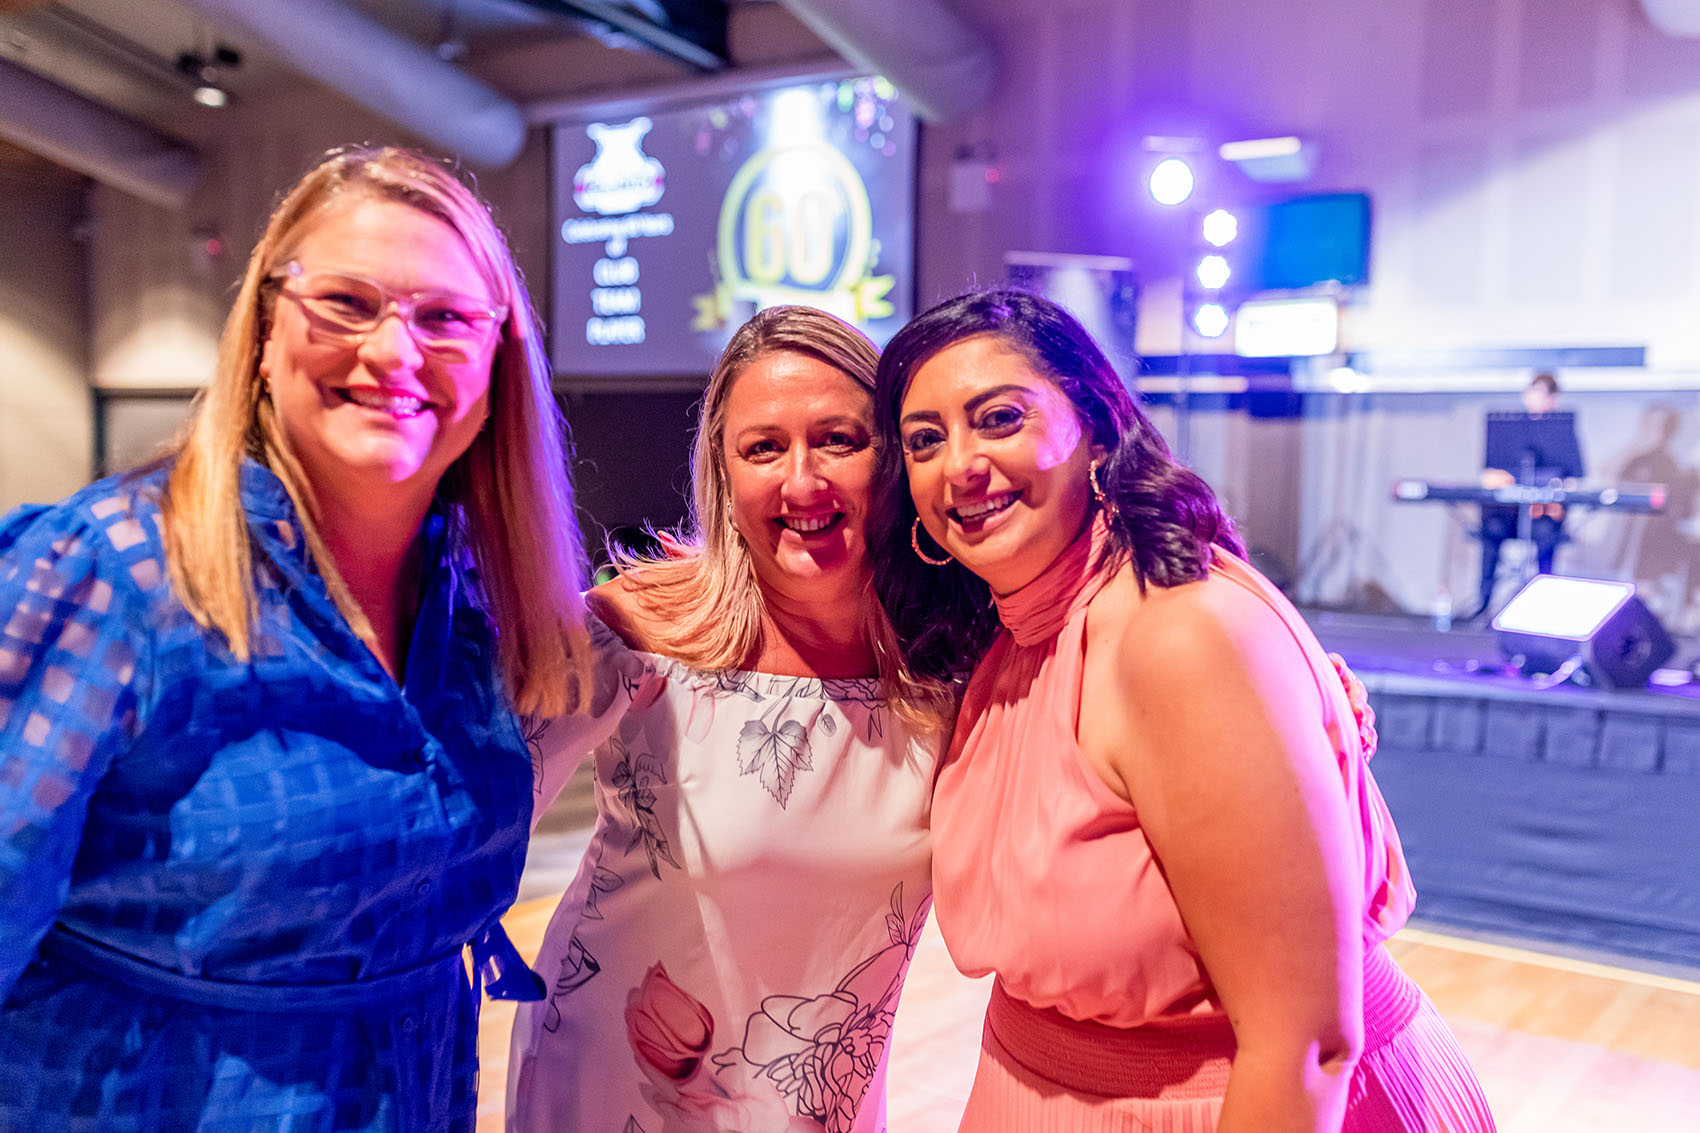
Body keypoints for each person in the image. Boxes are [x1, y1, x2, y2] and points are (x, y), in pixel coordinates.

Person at [0, 145, 591, 1132]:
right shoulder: (113, 574)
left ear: (497, 361)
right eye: (346, 304)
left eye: (444, 318)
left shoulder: (479, 607)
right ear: (266, 333)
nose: (393, 352)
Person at [873, 288, 1496, 1132]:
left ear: (1095, 430)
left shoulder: (1180, 637)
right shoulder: (1010, 641)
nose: (961, 465)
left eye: (1000, 418)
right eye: (925, 440)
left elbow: (1305, 1043)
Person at [507, 306, 951, 1133]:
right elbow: (469, 811)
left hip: (821, 1104)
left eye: (839, 440)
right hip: (617, 1088)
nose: (802, 481)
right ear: (723, 471)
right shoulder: (641, 632)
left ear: (893, 455)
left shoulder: (942, 668)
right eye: (764, 448)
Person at [1475, 371, 1569, 617]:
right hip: (1509, 514)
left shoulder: (1562, 434)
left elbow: (1572, 479)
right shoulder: (1507, 432)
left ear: (1553, 399)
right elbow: (1488, 475)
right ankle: (1483, 601)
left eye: (1542, 394)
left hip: (1542, 515)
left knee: (1546, 532)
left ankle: (1543, 605)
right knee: (1491, 527)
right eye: (1532, 393)